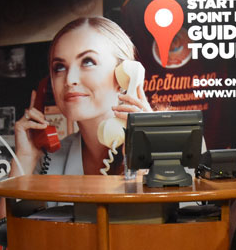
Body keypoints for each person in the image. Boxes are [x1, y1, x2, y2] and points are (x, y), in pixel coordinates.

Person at [11, 16, 152, 177]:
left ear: (123, 76)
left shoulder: (164, 146)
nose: (70, 80)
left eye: (88, 62)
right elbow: (12, 196)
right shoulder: (48, 161)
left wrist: (143, 163)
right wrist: (25, 159)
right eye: (59, 67)